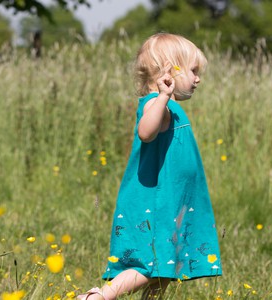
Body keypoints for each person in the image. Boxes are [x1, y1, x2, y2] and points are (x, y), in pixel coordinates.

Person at [77, 33, 222, 300]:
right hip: (156, 202)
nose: (198, 78)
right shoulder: (156, 105)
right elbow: (146, 132)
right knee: (147, 264)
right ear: (169, 70)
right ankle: (96, 298)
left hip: (172, 201)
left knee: (164, 268)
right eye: (193, 71)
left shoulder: (170, 107)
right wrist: (163, 97)